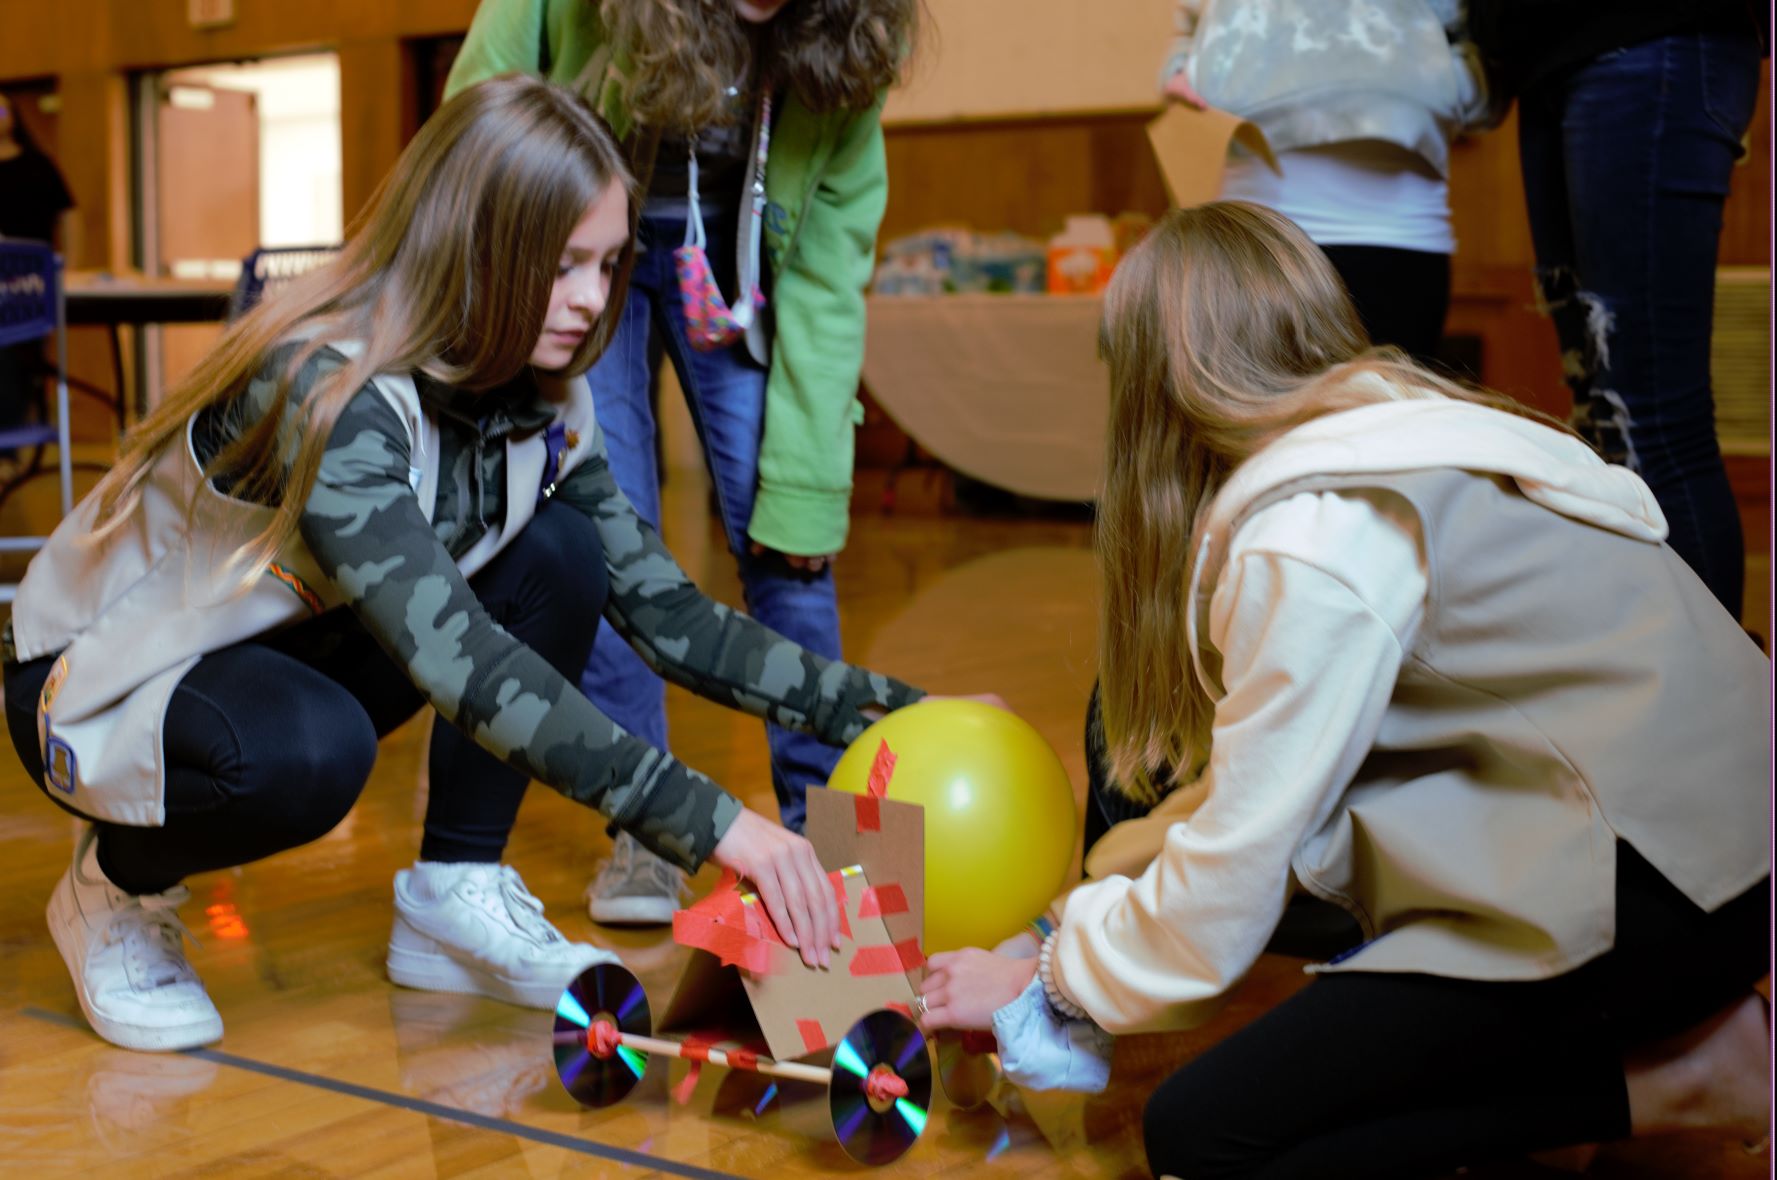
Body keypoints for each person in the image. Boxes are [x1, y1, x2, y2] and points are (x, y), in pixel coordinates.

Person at [2, 75, 933, 1055]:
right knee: (312, 751)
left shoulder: (542, 396)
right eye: (561, 263)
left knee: (563, 552)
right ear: (473, 245)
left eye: (608, 264)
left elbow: (670, 617)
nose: (588, 299)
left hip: (283, 639)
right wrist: (719, 827)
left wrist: (891, 708)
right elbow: (457, 659)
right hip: (98, 680)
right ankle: (115, 882)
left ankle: (455, 886)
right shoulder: (332, 386)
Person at [913, 202, 1770, 1178]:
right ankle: (1646, 1052)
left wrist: (1053, 981)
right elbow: (1260, 790)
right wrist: (1074, 926)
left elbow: (1229, 888)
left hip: (1670, 885)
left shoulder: (1308, 537)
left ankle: (1687, 1077)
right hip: (1720, 841)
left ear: (1148, 396)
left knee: (1207, 1136)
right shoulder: (1399, 432)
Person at [444, 0, 920, 926]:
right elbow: (479, 115)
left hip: (743, 264)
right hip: (580, 252)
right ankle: (650, 831)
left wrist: (807, 485)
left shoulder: (847, 36)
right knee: (607, 535)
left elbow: (828, 270)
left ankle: (830, 851)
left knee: (791, 541)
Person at [1467, 0, 1767, 619]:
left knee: (1651, 419)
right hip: (1550, 58)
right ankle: (1653, 677)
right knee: (1601, 418)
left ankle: (1711, 695)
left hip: (1647, 35)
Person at [1161, 0, 1495, 364]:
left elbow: (1481, 34)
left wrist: (1439, 88)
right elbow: (1192, 22)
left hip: (1395, 231)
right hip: (1255, 232)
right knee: (1255, 410)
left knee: (1390, 413)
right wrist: (1185, 71)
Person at [0, 90, 81, 448]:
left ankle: (14, 427)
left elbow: (69, 215)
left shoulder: (38, 165)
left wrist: (72, 267)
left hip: (35, 286)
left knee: (23, 357)